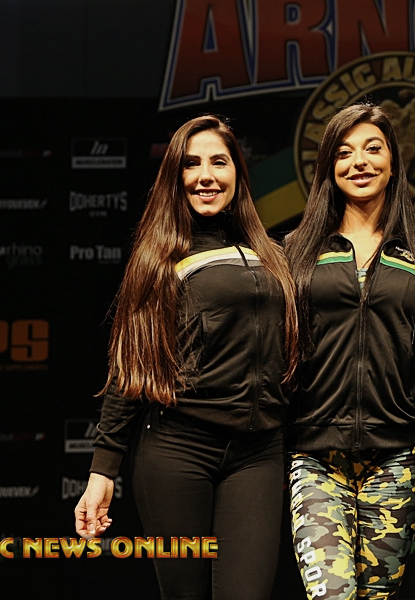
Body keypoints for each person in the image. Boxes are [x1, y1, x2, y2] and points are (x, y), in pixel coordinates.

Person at [73, 115, 298, 600]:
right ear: (176, 177)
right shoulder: (159, 257)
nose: (206, 176)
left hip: (258, 454)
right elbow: (130, 367)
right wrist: (102, 470)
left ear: (238, 172)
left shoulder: (271, 253)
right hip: (178, 451)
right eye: (192, 164)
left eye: (219, 162)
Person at [283, 103, 415, 599]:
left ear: (393, 162)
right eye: (344, 153)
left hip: (396, 456)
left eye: (373, 149)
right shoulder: (297, 251)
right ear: (329, 166)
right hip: (315, 455)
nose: (359, 162)